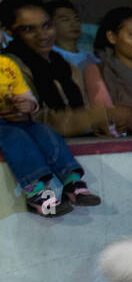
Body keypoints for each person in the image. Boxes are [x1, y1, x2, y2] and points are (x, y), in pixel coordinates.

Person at [0, 0, 117, 138]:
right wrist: (92, 118)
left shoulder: (64, 65)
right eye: (29, 29)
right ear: (8, 31)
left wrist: (100, 121)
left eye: (47, 26)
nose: (42, 35)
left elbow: (84, 109)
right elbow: (34, 119)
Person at [0, 52, 100, 215]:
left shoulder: (6, 65)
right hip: (7, 128)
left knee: (43, 130)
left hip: (16, 120)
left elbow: (28, 98)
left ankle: (71, 182)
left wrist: (27, 106)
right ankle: (35, 193)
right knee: (15, 138)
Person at [45, 0, 97, 70]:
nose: (74, 24)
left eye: (77, 19)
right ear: (50, 25)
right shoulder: (47, 56)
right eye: (65, 20)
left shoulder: (92, 58)